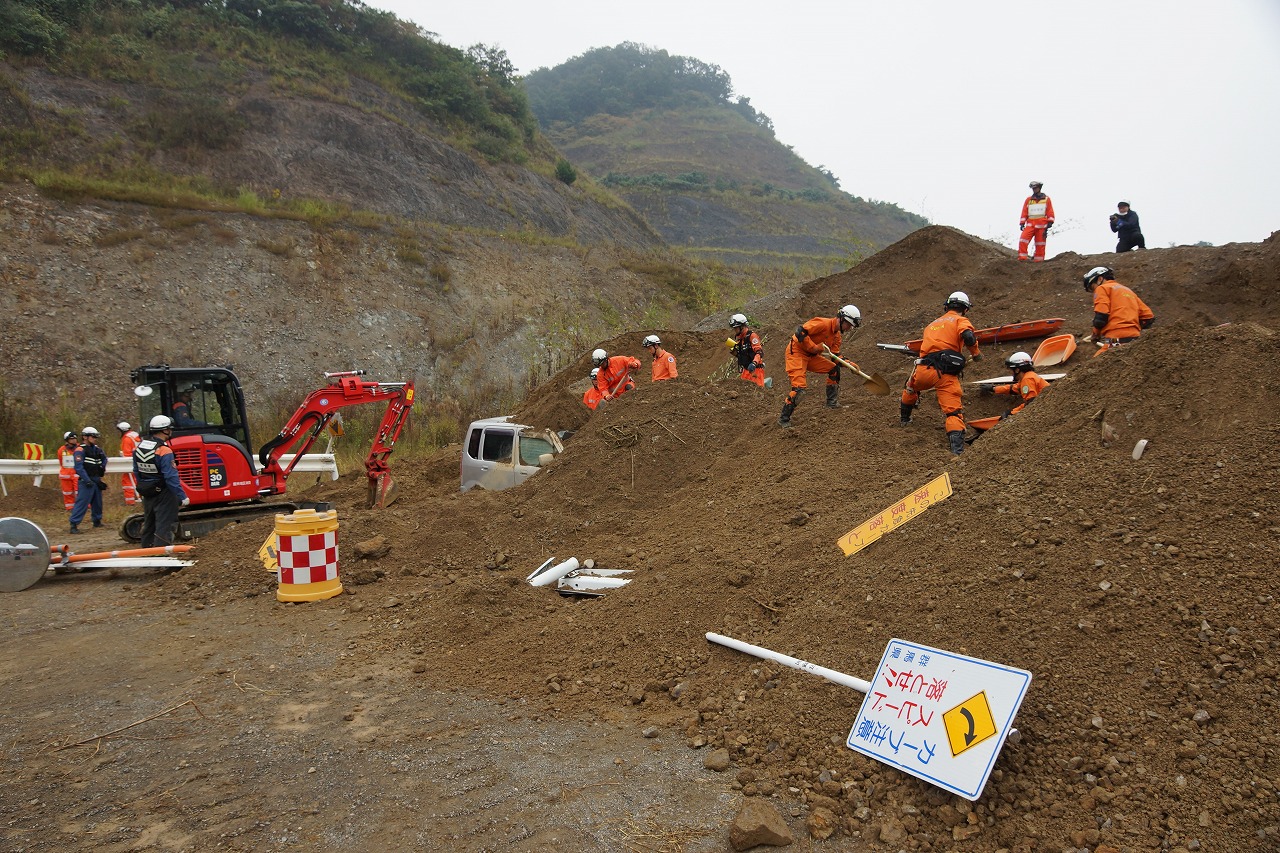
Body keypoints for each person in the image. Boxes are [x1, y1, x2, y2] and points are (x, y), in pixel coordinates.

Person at [898, 291, 983, 455]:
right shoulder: (960, 320)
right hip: (945, 374)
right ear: (965, 309)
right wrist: (976, 354)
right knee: (953, 412)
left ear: (947, 306)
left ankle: (905, 420)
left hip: (923, 369)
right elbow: (969, 337)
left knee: (910, 388)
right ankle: (957, 451)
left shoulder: (931, 325)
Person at [778, 304, 861, 427]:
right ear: (842, 319)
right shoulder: (822, 323)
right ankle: (783, 419)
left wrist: (849, 364)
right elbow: (800, 332)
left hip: (811, 356)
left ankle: (831, 402)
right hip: (796, 353)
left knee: (834, 369)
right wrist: (814, 347)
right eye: (849, 325)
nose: (849, 328)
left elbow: (835, 357)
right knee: (799, 389)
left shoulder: (837, 336)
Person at [133, 415, 189, 548]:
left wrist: (141, 488)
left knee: (149, 524)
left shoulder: (140, 448)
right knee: (165, 525)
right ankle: (161, 560)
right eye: (169, 428)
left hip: (147, 492)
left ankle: (147, 553)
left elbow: (136, 471)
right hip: (164, 494)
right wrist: (182, 496)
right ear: (165, 430)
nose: (171, 431)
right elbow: (171, 477)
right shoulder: (164, 450)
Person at [1082, 266, 1154, 355]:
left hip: (1116, 339)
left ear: (1100, 279)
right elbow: (1148, 317)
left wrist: (1095, 334)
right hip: (1135, 340)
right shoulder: (1128, 291)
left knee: (1095, 364)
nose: (1094, 291)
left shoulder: (1102, 288)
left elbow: (1101, 317)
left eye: (1092, 287)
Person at [981, 351, 1049, 417]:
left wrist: (1012, 413)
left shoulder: (1027, 380)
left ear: (1017, 370)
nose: (1011, 373)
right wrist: (993, 388)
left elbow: (1031, 404)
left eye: (1011, 369)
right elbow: (1013, 388)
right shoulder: (1029, 376)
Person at [68, 426, 108, 533]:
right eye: (93, 436)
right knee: (82, 503)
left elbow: (104, 459)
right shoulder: (80, 450)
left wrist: (101, 468)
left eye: (95, 437)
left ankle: (97, 521)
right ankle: (74, 524)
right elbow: (79, 467)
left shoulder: (97, 449)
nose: (95, 439)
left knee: (97, 502)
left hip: (96, 479)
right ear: (85, 437)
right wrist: (87, 480)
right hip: (86, 481)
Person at [1018, 181, 1055, 262]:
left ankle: (1038, 262)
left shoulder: (1046, 199)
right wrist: (1022, 223)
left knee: (1040, 244)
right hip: (1030, 225)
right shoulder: (1028, 200)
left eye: (1035, 188)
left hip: (1042, 225)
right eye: (1033, 188)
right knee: (1023, 240)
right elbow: (1024, 211)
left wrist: (1050, 221)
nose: (1034, 190)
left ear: (1039, 188)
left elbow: (1050, 211)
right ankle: (1022, 259)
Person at [729, 313, 768, 388]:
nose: (735, 330)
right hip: (745, 371)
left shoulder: (752, 336)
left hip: (755, 371)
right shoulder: (741, 339)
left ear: (742, 326)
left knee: (756, 392)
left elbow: (759, 352)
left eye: (736, 328)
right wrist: (736, 354)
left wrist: (754, 363)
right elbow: (745, 355)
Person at [116, 421, 141, 506]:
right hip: (139, 461)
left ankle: (130, 502)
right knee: (137, 480)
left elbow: (127, 454)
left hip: (130, 462)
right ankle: (139, 497)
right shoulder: (135, 435)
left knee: (127, 482)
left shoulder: (127, 438)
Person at [55, 431, 79, 512]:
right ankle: (69, 507)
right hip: (65, 475)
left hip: (77, 474)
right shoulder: (61, 450)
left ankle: (85, 506)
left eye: (75, 439)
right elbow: (61, 461)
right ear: (67, 440)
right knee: (67, 492)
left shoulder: (80, 448)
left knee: (79, 491)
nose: (74, 440)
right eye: (72, 439)